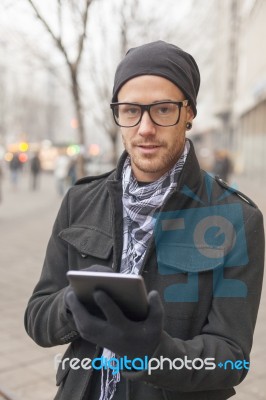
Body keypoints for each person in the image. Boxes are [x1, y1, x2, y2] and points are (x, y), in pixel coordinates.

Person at [24, 41, 265, 400]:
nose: (145, 128)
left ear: (189, 114)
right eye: (131, 110)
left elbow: (230, 358)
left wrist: (151, 353)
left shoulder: (236, 219)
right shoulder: (80, 200)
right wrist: (71, 305)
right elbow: (37, 318)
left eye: (163, 109)